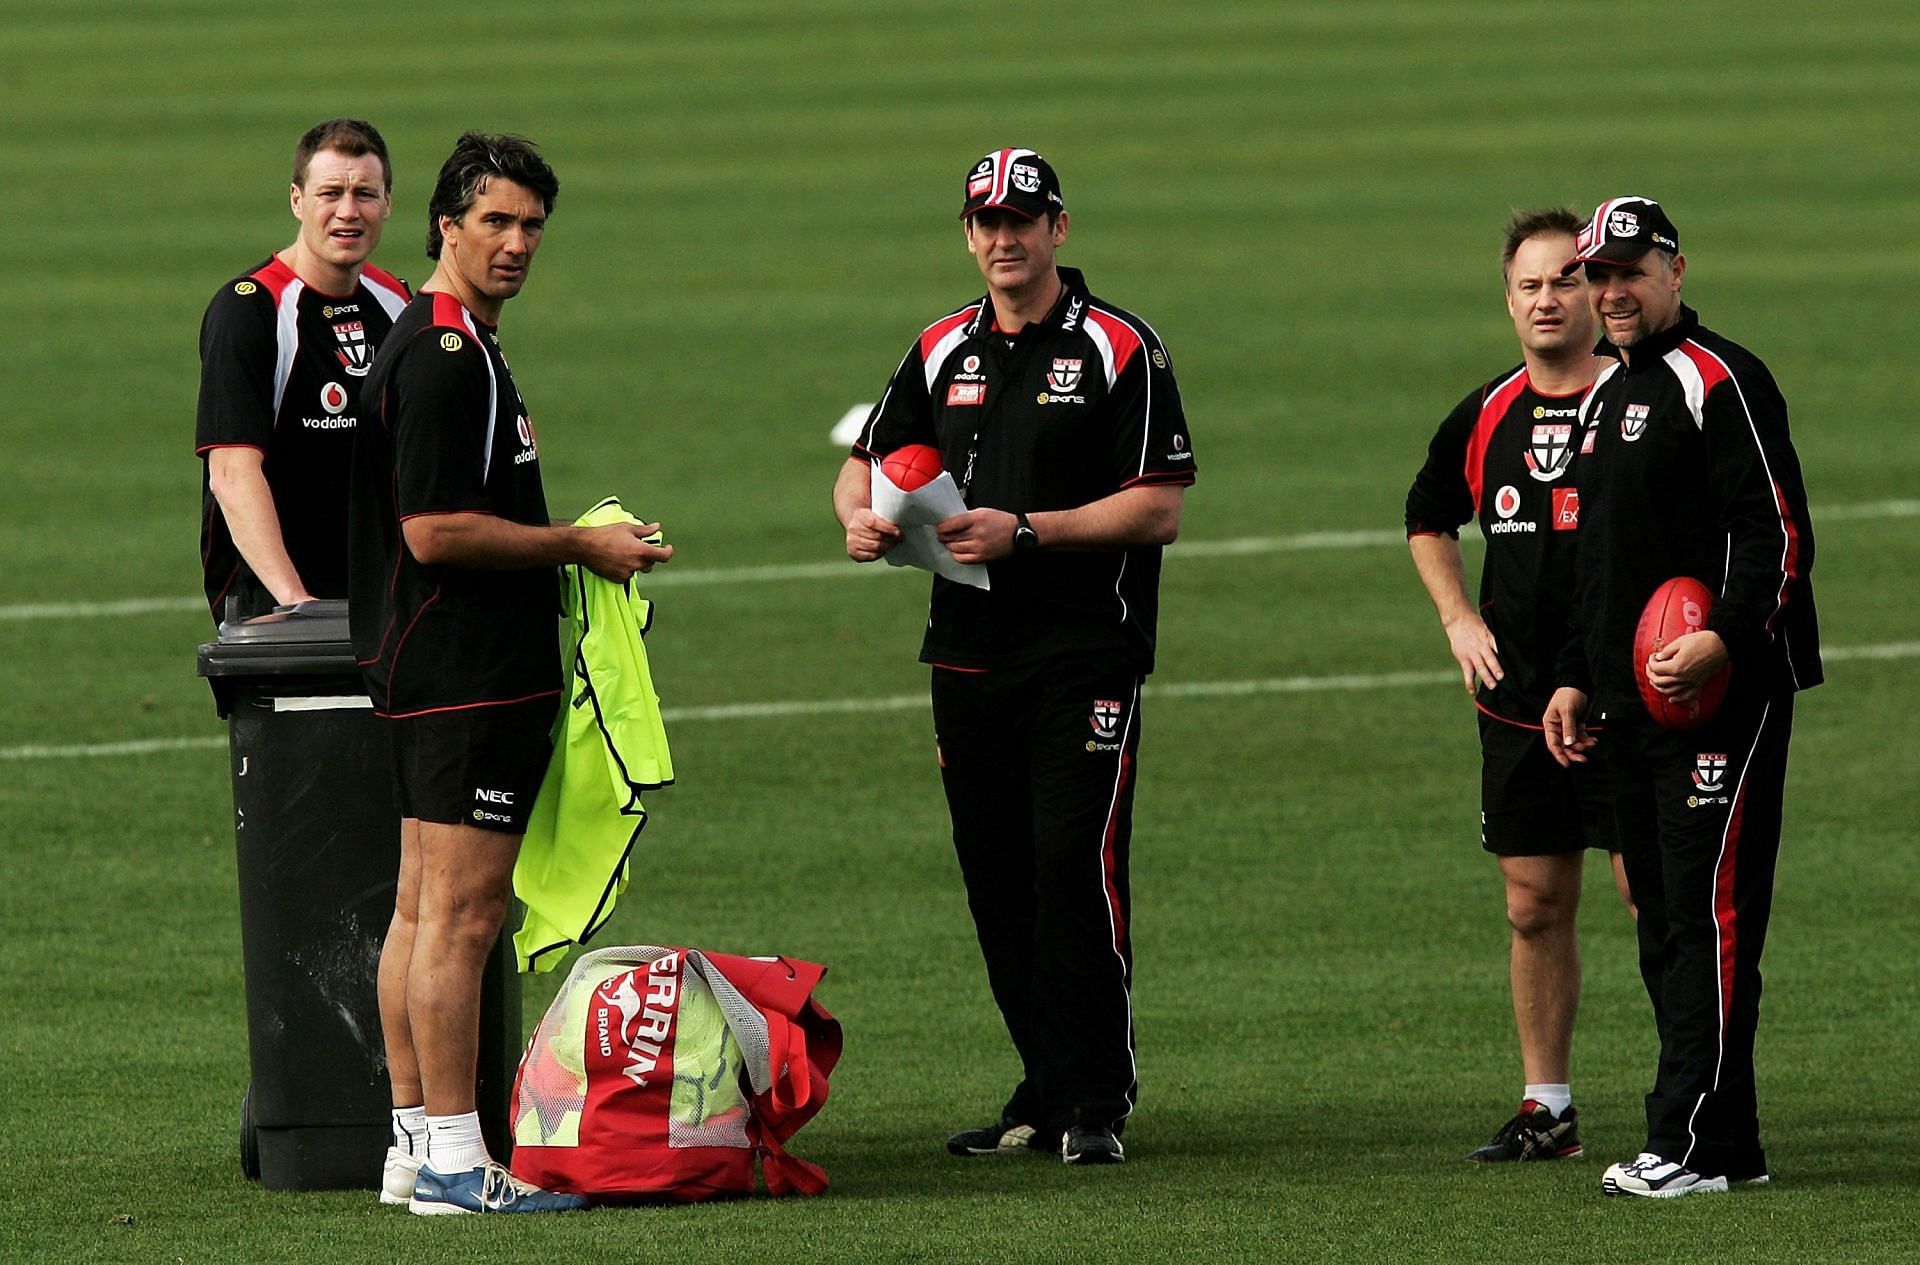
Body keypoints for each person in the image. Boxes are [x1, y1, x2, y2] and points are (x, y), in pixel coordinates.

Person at [832, 147, 1195, 1165]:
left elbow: (1158, 505)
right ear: (967, 234)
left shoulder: (1124, 347)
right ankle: (1043, 1085)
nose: (1005, 236)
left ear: (1059, 229)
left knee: (1070, 866)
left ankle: (1097, 1096)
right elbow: (864, 467)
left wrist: (1024, 531)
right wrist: (862, 520)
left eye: (1023, 219)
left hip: (1083, 649)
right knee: (996, 876)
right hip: (966, 651)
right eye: (987, 221)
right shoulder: (942, 345)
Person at [348, 132, 672, 1215]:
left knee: (418, 908)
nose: (518, 242)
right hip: (467, 675)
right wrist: (582, 546)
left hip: (433, 670)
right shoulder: (445, 357)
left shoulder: (444, 339)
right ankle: (451, 1156)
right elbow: (436, 531)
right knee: (463, 920)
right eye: (496, 221)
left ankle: (410, 1141)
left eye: (532, 224)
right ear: (446, 226)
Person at [1542, 196, 1821, 1198]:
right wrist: (1578, 674)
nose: (1613, 291)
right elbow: (1601, 565)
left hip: (1723, 701)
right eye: (1598, 277)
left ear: (1675, 269)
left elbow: (1778, 534)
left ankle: (1687, 1140)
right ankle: (1726, 1140)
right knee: (1665, 918)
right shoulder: (1607, 393)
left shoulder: (1721, 380)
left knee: (1708, 914)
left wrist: (1721, 641)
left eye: (1631, 271)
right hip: (1629, 708)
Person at [1405, 208, 1635, 1164]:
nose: (1548, 299)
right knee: (1533, 902)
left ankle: (1693, 1101)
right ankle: (1549, 1106)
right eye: (1529, 285)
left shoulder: (1641, 402)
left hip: (1630, 698)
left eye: (1565, 281)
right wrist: (1460, 618)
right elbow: (1428, 513)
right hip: (1515, 697)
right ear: (1508, 302)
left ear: (1596, 293)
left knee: (1654, 897)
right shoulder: (1487, 412)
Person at [196, 118, 411, 624]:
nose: (348, 211)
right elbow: (230, 471)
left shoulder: (397, 301)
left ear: (387, 203)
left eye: (365, 193)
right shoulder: (250, 310)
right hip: (278, 604)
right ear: (297, 201)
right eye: (330, 193)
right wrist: (299, 605)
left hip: (381, 604)